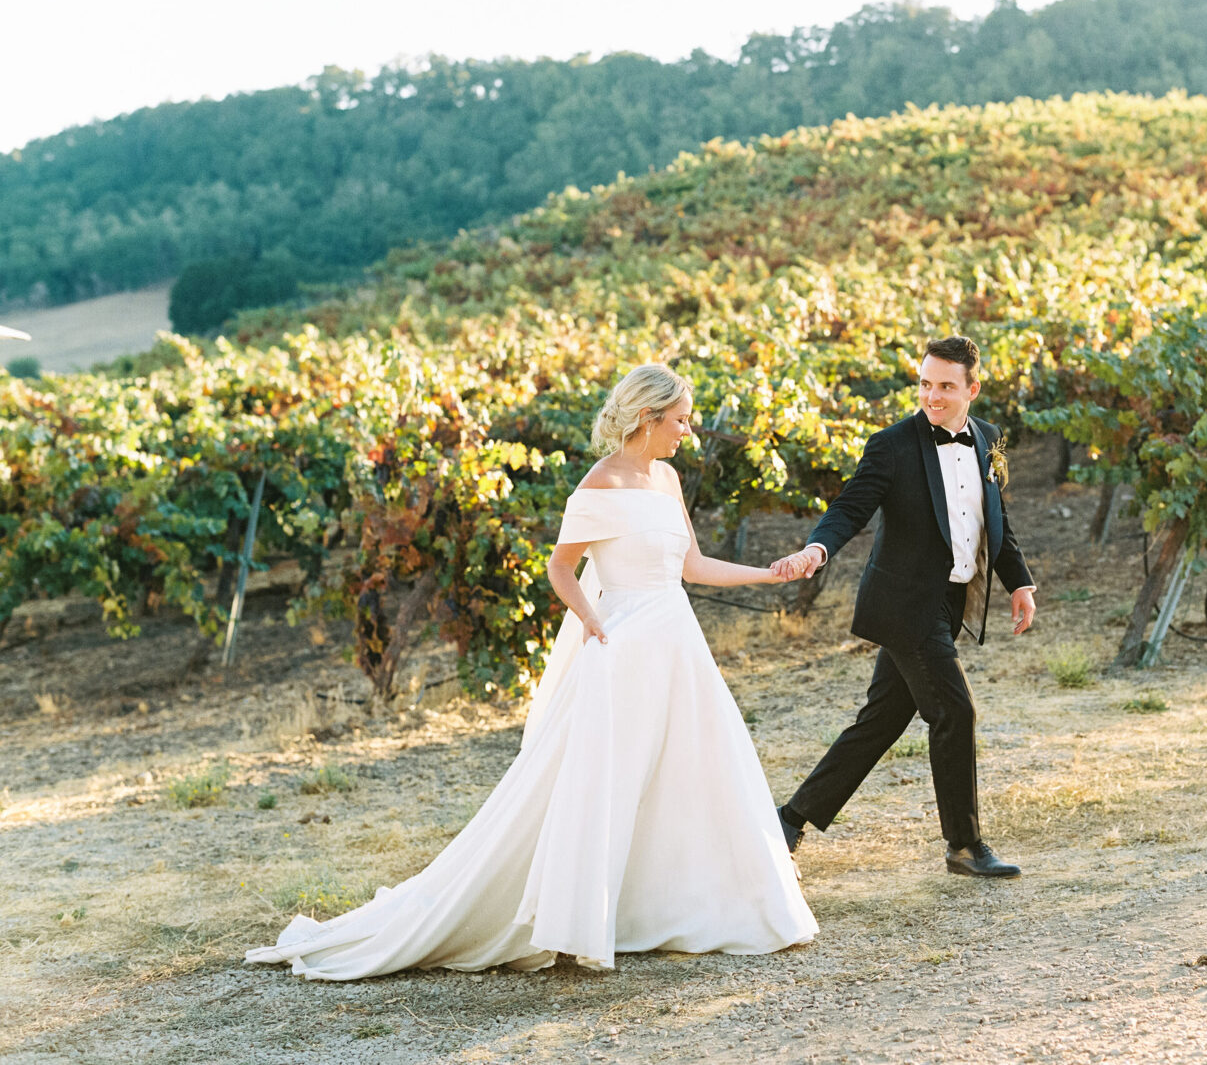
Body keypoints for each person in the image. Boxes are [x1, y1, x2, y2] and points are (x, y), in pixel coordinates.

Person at [246, 364, 817, 979]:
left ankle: (684, 905)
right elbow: (561, 569)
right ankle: (574, 913)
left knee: (693, 767)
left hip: (676, 643)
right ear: (648, 419)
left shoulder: (669, 478)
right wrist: (592, 619)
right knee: (606, 779)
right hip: (622, 645)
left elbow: (693, 565)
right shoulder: (599, 485)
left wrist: (768, 574)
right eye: (679, 420)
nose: (687, 430)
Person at [771, 335, 1037, 878]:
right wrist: (817, 548)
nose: (932, 396)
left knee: (880, 721)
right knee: (954, 710)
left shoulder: (988, 438)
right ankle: (964, 846)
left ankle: (790, 820)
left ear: (972, 389)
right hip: (903, 604)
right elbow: (850, 506)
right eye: (924, 383)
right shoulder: (892, 445)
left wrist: (1020, 583)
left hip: (948, 601)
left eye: (945, 386)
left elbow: (995, 520)